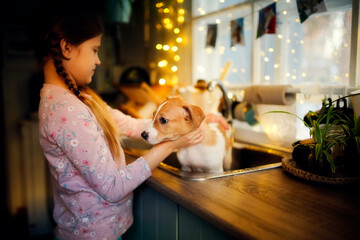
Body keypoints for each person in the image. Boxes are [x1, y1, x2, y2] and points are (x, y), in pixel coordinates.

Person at [31, 1, 229, 240]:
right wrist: (171, 144)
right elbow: (113, 187)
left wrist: (195, 120)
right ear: (66, 47)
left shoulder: (78, 98)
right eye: (94, 50)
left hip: (102, 230)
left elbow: (126, 124)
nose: (98, 60)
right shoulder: (66, 112)